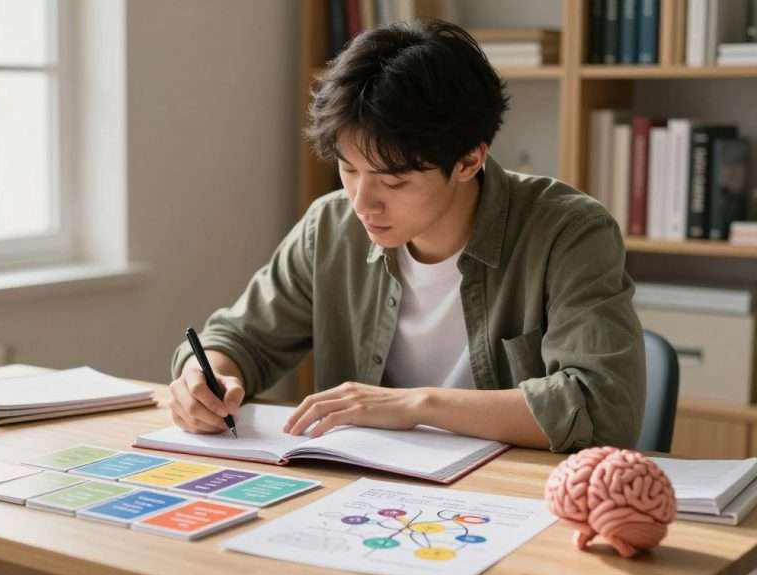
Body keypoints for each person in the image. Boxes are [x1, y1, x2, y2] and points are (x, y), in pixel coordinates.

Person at [168, 20, 645, 452]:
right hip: (371, 498)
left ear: (468, 161)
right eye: (348, 169)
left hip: (513, 499)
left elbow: (603, 406)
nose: (361, 202)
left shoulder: (568, 232)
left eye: (393, 181)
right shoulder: (331, 227)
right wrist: (205, 376)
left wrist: (415, 406)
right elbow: (238, 338)